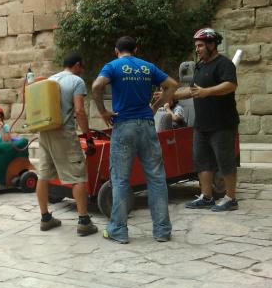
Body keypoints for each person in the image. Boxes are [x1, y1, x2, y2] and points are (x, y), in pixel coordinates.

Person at [92, 36, 178, 244]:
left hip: (123, 126)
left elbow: (96, 86)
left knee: (120, 180)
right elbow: (172, 85)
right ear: (136, 49)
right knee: (156, 179)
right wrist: (156, 106)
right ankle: (162, 230)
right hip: (147, 126)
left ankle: (118, 230)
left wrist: (103, 112)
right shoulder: (147, 67)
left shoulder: (113, 66)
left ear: (116, 50)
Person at [176, 28, 240, 211]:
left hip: (222, 123)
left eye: (201, 45)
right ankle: (206, 196)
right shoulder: (199, 66)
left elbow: (231, 85)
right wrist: (172, 95)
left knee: (225, 160)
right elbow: (193, 90)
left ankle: (230, 198)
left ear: (212, 45)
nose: (197, 49)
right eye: (196, 46)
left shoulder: (225, 64)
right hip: (201, 124)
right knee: (202, 160)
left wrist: (207, 91)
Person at [36, 52, 98, 236]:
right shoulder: (76, 81)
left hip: (45, 131)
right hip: (64, 133)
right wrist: (87, 135)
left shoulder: (50, 79)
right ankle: (84, 221)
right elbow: (79, 111)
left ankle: (45, 218)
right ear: (78, 65)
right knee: (78, 175)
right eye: (82, 67)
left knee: (43, 175)